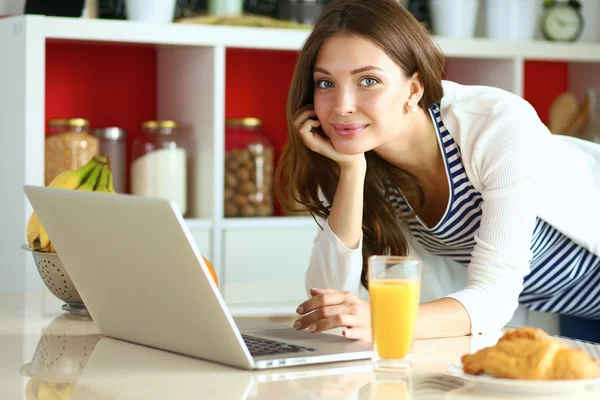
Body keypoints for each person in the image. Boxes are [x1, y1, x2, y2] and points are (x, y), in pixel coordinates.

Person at [275, 0, 600, 342]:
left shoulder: (495, 125)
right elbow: (329, 300)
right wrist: (352, 170)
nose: (342, 106)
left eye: (368, 80)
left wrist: (383, 319)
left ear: (413, 90)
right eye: (325, 84)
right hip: (571, 312)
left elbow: (494, 295)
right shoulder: (359, 157)